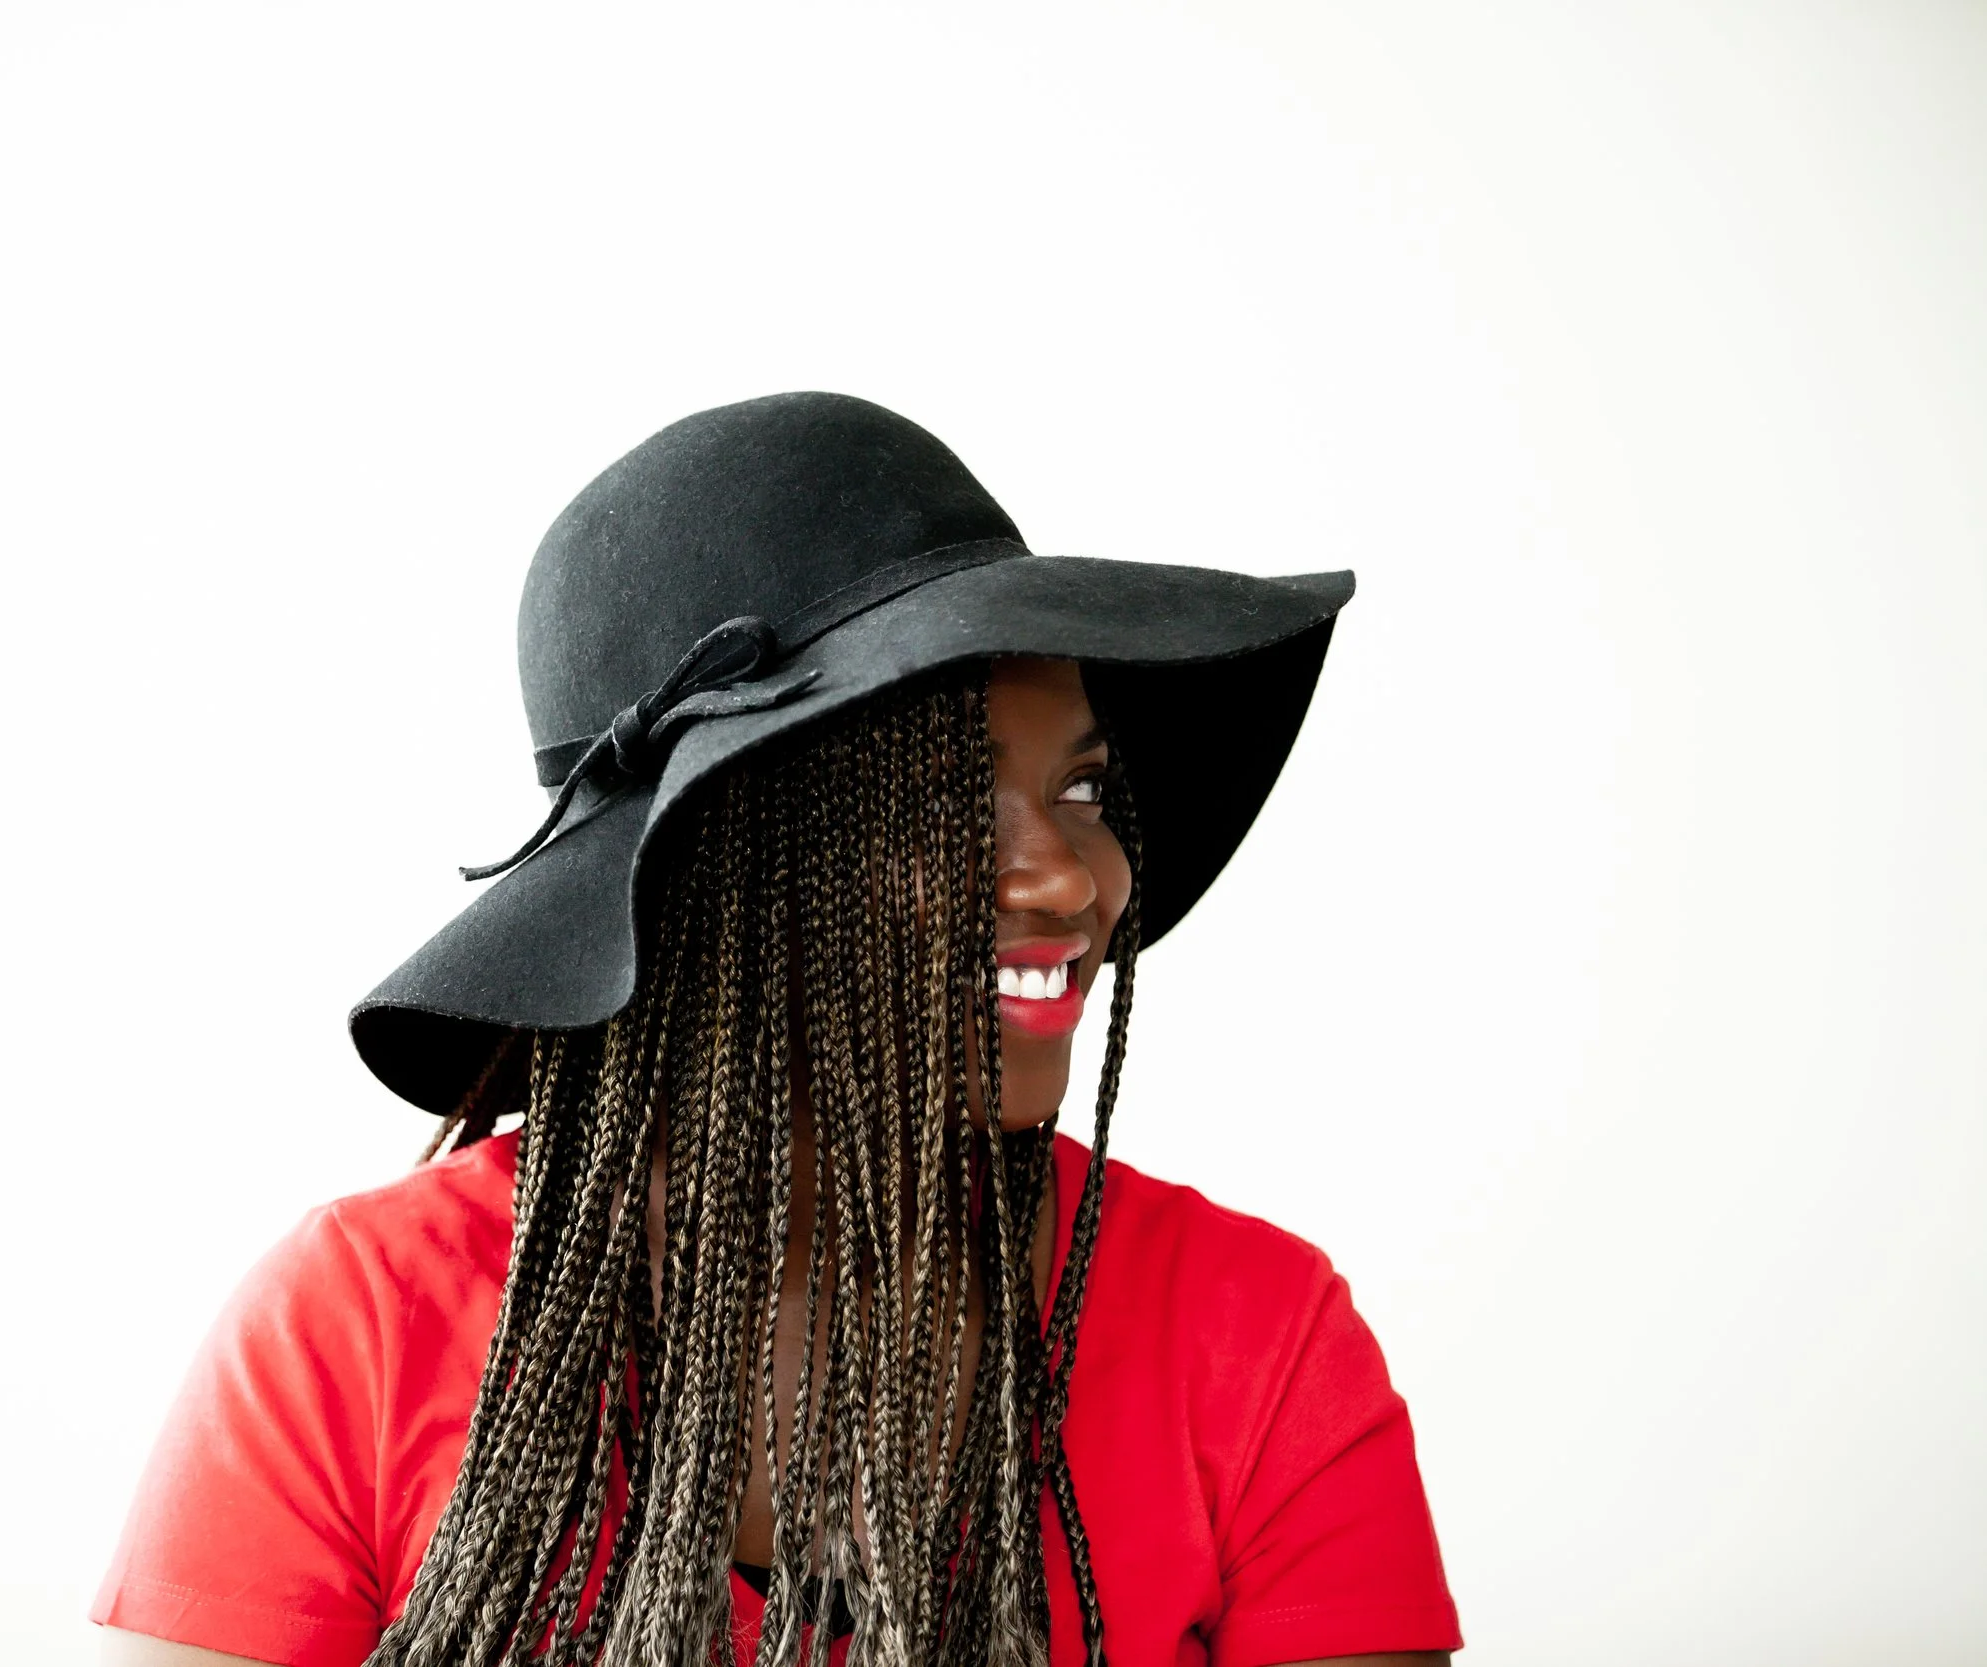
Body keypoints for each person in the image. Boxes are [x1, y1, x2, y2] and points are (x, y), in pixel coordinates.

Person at [92, 393, 1462, 1667]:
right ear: (710, 873)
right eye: (950, 796)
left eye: (1086, 785)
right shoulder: (351, 1333)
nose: (1072, 876)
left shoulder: (1256, 1340)